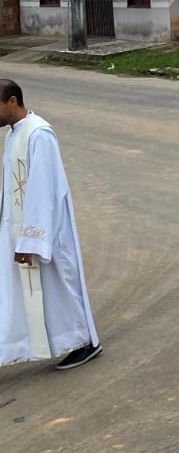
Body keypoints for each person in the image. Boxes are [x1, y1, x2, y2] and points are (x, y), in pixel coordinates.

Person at [0, 79, 101, 370]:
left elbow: (44, 190)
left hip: (45, 230)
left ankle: (85, 342)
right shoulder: (15, 134)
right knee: (34, 293)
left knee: (60, 287)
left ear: (12, 101)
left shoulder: (39, 134)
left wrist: (31, 240)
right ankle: (57, 342)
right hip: (21, 229)